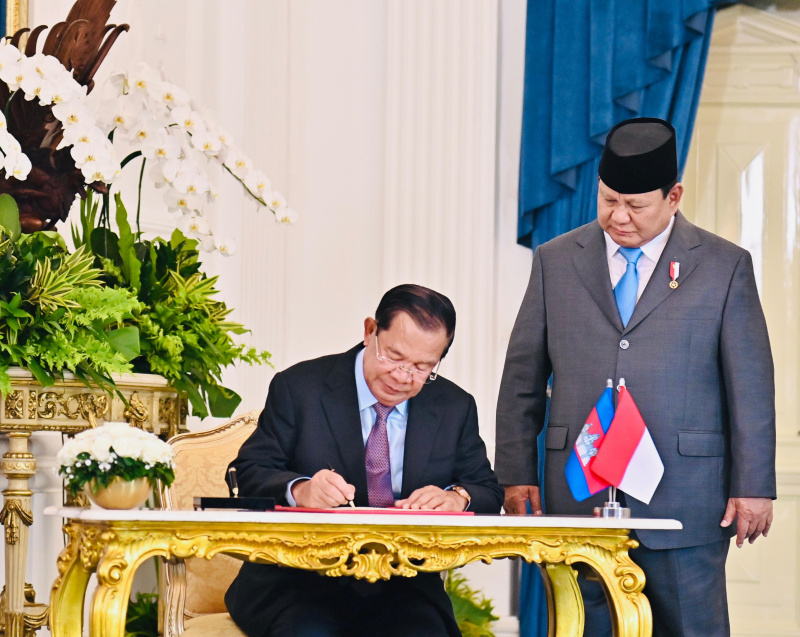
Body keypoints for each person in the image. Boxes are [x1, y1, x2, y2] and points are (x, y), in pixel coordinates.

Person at [495, 117, 776, 636]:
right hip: (578, 493)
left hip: (686, 496)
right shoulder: (556, 261)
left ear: (674, 197)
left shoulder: (722, 265)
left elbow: (751, 386)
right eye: (607, 201)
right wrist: (516, 473)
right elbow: (522, 378)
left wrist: (754, 485)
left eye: (635, 206)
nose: (618, 217)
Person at [225, 283, 504, 637]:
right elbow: (249, 471)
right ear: (370, 331)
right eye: (395, 357)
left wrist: (456, 498)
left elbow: (488, 492)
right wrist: (301, 490)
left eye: (422, 367)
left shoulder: (453, 406)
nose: (403, 377)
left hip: (405, 587)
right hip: (298, 583)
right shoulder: (300, 387)